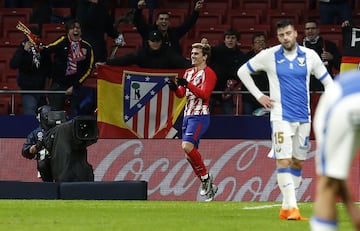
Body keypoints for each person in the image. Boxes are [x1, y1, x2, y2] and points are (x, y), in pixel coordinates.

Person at [237, 19, 333, 220]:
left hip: (304, 117)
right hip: (280, 116)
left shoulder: (310, 56)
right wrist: (259, 96)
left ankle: (286, 205)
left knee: (298, 162)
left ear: (295, 33)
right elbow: (242, 71)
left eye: (288, 33)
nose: (285, 38)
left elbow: (328, 83)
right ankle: (292, 207)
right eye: (281, 35)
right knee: (284, 160)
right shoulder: (269, 55)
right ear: (278, 37)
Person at [167, 42, 218, 201]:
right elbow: (182, 95)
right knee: (188, 156)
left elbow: (204, 95)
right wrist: (175, 88)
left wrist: (187, 85)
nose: (192, 56)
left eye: (196, 54)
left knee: (186, 146)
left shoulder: (209, 73)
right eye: (192, 53)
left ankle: (205, 178)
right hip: (187, 115)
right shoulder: (188, 72)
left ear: (204, 57)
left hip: (200, 115)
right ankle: (209, 186)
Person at [310, 70, 360, 231]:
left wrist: (353, 212)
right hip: (342, 102)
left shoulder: (336, 89)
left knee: (327, 184)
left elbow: (334, 175)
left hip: (341, 104)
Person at [42, 19, 94, 116]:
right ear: (68, 31)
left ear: (81, 31)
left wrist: (75, 86)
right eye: (72, 28)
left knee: (76, 115)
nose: (75, 30)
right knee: (55, 115)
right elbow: (47, 49)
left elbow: (89, 69)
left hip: (76, 86)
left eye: (77, 28)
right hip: (59, 84)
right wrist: (37, 45)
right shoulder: (62, 41)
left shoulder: (87, 47)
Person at [9, 25, 52, 115]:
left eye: (37, 37)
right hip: (28, 90)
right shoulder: (22, 49)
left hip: (42, 90)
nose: (35, 40)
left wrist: (48, 89)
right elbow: (13, 65)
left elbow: (49, 69)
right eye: (33, 37)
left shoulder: (43, 50)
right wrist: (23, 51)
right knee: (30, 114)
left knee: (46, 116)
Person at [133, 0, 203, 54]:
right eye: (161, 19)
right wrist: (139, 9)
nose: (164, 21)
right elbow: (138, 23)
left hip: (171, 67)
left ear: (169, 23)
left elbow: (187, 25)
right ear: (157, 22)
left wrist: (196, 11)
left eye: (166, 19)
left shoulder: (174, 33)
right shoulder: (149, 31)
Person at [204, 29, 246, 115]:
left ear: (237, 40)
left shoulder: (241, 56)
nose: (230, 40)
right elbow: (205, 54)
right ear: (224, 40)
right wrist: (204, 45)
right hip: (212, 89)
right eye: (228, 38)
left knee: (229, 116)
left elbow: (241, 73)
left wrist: (231, 86)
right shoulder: (216, 50)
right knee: (205, 115)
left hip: (228, 90)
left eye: (233, 38)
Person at [105, 30, 191, 69]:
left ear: (162, 41)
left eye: (158, 40)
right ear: (148, 42)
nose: (155, 43)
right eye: (153, 41)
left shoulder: (168, 53)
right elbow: (126, 59)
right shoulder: (142, 53)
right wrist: (107, 63)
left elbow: (182, 63)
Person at [302, 19, 342, 91]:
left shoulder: (330, 45)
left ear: (318, 30)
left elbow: (340, 66)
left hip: (325, 86)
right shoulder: (298, 47)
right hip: (305, 87)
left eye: (313, 28)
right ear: (305, 31)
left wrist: (332, 58)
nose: (310, 31)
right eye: (307, 29)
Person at [22, 105, 53, 182]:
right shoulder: (36, 133)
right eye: (46, 115)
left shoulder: (61, 130)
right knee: (42, 163)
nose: (48, 118)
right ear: (40, 117)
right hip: (46, 164)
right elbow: (25, 151)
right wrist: (37, 147)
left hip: (62, 161)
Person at [242, 32, 269, 115]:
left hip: (266, 94)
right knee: (248, 121)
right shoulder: (247, 57)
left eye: (263, 41)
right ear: (252, 45)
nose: (261, 43)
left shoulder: (271, 56)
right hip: (249, 96)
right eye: (258, 42)